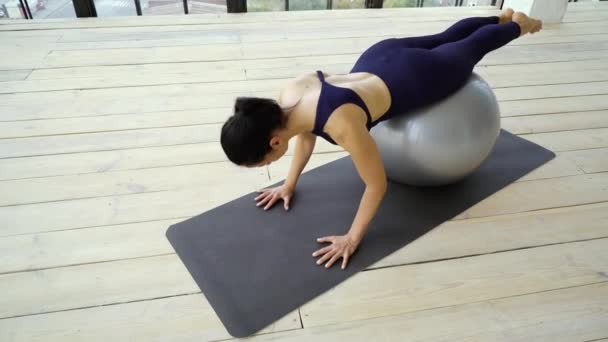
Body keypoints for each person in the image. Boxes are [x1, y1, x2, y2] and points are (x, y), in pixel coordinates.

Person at [220, 9, 542, 270]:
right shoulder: (287, 97)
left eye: (261, 163)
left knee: (471, 49)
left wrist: (352, 238)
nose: (266, 165)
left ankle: (518, 24)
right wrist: (289, 185)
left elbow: (376, 185)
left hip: (417, 75)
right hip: (380, 56)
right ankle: (498, 15)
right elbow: (304, 137)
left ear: (273, 143)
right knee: (445, 38)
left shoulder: (342, 124)